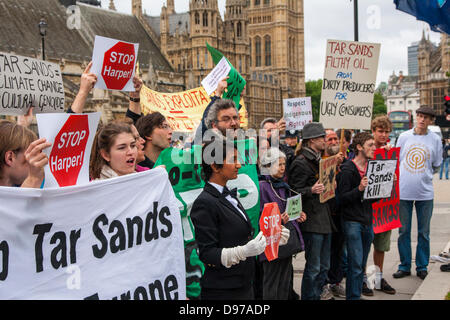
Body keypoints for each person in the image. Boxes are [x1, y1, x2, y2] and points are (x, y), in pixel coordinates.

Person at [191, 139, 278, 300]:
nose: (239, 165)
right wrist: (243, 251)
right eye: (233, 159)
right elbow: (208, 253)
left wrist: (273, 234)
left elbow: (241, 234)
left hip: (243, 284)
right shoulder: (204, 203)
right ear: (215, 166)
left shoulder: (228, 194)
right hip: (223, 290)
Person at [393, 106, 443, 281]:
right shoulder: (404, 137)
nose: (421, 120)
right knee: (403, 231)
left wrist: (425, 175)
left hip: (425, 193)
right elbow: (397, 160)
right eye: (419, 116)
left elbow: (437, 163)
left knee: (424, 232)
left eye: (425, 118)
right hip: (404, 191)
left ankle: (422, 266)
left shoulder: (435, 139)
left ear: (431, 121)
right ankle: (404, 265)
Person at [288, 122, 335, 300]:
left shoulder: (318, 159)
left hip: (323, 219)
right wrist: (311, 190)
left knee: (324, 266)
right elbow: (292, 191)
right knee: (314, 267)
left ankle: (316, 295)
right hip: (312, 221)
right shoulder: (300, 162)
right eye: (323, 137)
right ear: (313, 140)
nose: (325, 140)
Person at [259, 147, 306, 300]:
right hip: (270, 243)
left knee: (284, 281)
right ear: (267, 166)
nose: (282, 168)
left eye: (284, 164)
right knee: (271, 282)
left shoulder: (282, 186)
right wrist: (278, 220)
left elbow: (287, 208)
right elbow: (261, 216)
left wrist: (297, 214)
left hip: (284, 241)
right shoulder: (262, 186)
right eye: (278, 164)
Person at [336, 132, 376, 300]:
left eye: (374, 145)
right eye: (370, 145)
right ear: (359, 147)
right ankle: (353, 296)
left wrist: (386, 186)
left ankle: (355, 294)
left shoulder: (372, 167)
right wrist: (359, 189)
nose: (374, 148)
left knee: (360, 263)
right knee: (355, 263)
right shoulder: (348, 170)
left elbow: (374, 198)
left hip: (367, 221)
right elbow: (341, 199)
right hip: (352, 221)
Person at [369, 115, 396, 295]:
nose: (384, 135)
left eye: (386, 132)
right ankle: (364, 279)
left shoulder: (391, 152)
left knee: (381, 246)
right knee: (362, 248)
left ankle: (377, 278)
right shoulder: (365, 149)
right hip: (366, 208)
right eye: (380, 131)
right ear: (373, 131)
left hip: (384, 207)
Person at [323, 129, 346, 298]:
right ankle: (323, 284)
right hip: (324, 216)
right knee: (324, 254)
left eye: (335, 139)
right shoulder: (321, 160)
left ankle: (335, 282)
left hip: (340, 214)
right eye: (329, 139)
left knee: (338, 252)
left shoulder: (344, 161)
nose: (333, 142)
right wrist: (332, 162)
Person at [0, 120, 51, 188]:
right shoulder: (33, 180)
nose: (36, 161)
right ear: (10, 158)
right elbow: (17, 198)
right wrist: (33, 178)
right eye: (32, 154)